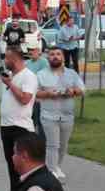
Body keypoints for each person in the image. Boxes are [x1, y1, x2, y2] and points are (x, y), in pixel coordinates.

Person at [0, 45, 38, 191]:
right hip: (6, 126)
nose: (5, 60)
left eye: (7, 58)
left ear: (14, 59)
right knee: (12, 163)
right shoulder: (9, 76)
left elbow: (25, 99)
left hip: (21, 128)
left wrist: (10, 84)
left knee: (23, 165)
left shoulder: (28, 76)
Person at [33, 47, 84, 180]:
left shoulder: (71, 73)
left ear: (62, 57)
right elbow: (35, 93)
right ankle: (51, 173)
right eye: (52, 54)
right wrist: (48, 93)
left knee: (63, 145)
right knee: (52, 144)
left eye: (58, 54)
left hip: (67, 115)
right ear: (48, 57)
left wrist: (72, 91)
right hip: (49, 115)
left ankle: (56, 167)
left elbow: (82, 89)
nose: (55, 56)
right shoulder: (41, 74)